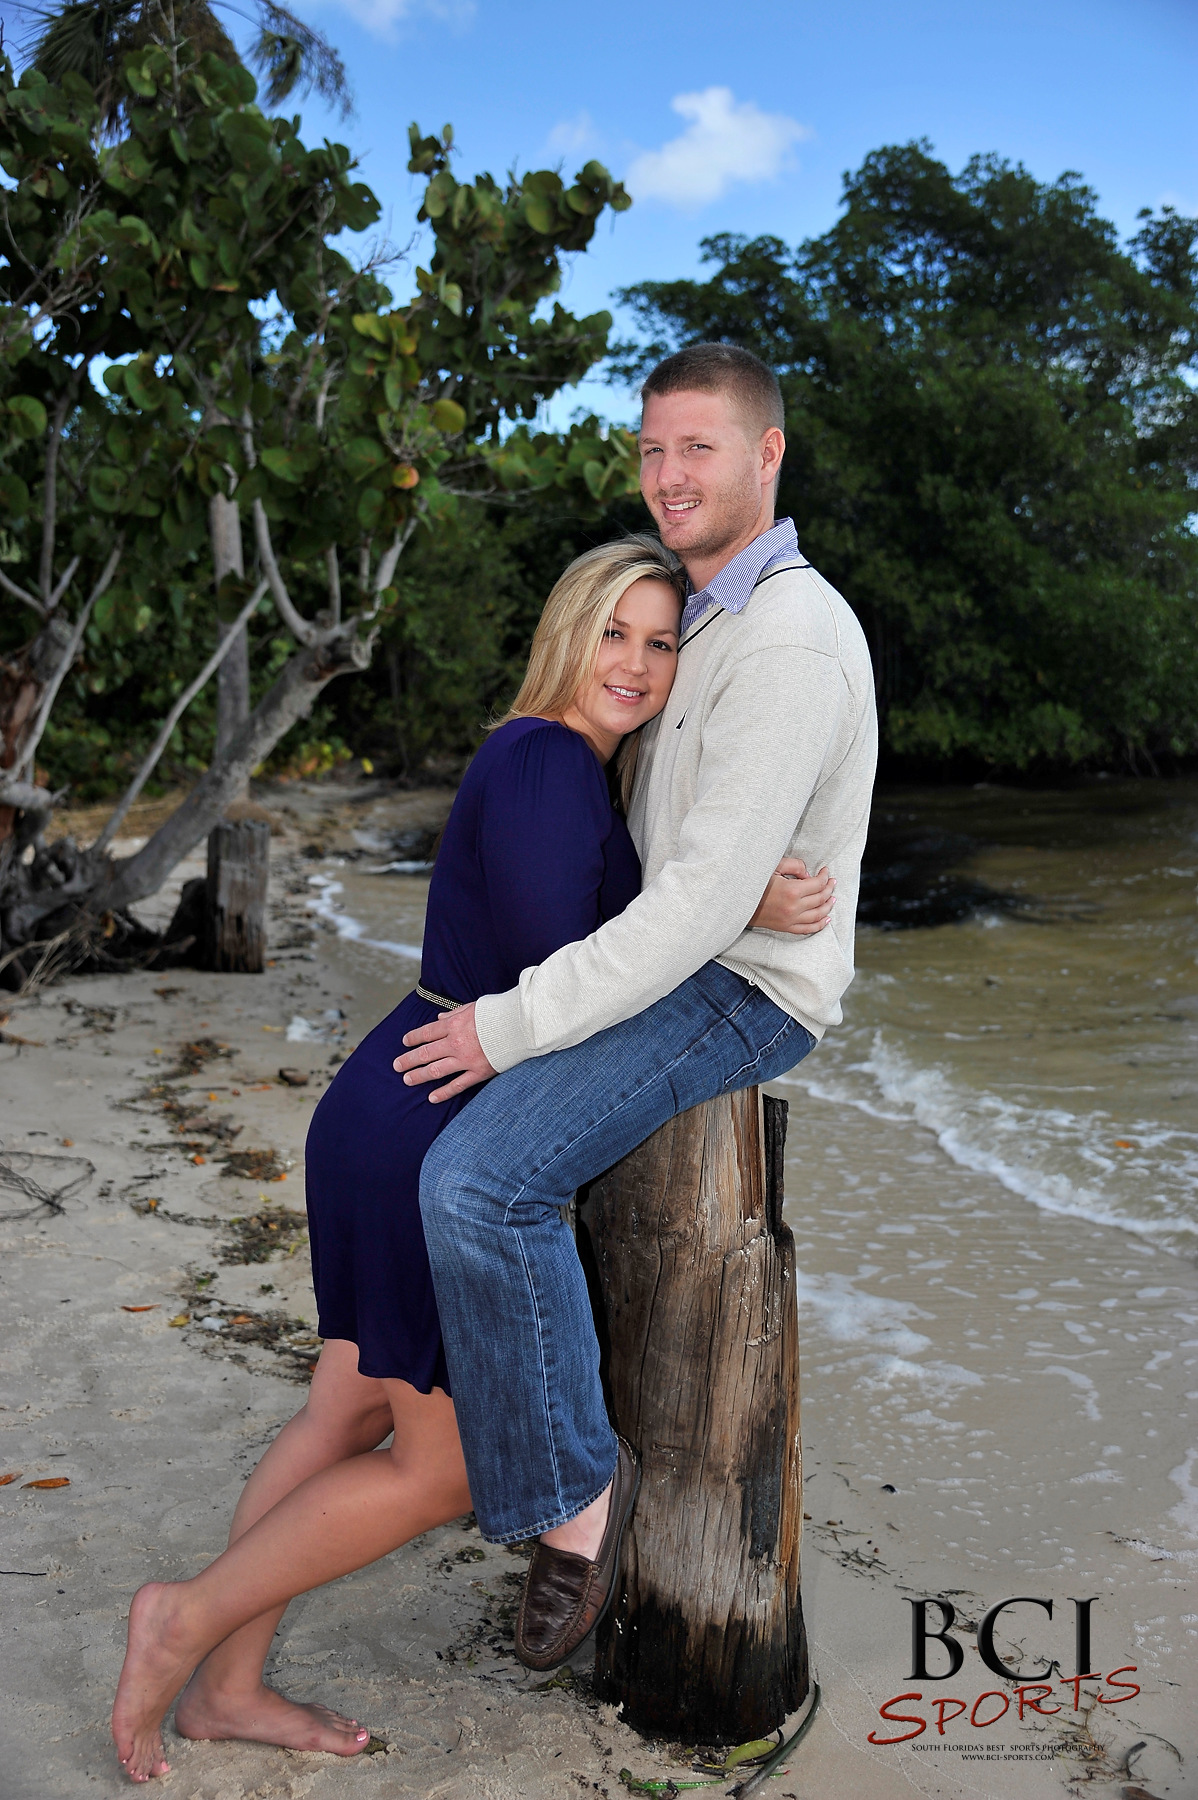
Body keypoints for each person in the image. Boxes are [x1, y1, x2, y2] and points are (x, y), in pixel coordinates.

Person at [110, 533, 833, 1783]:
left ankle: (225, 1686)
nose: (635, 662)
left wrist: (707, 892)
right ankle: (182, 1621)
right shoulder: (549, 763)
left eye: (661, 642)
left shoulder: (545, 761)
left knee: (343, 1409)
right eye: (612, 633)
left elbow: (586, 938)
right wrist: (737, 908)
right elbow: (578, 970)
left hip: (389, 1099)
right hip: (433, 1124)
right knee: (439, 1469)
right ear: (566, 635)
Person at [396, 341, 878, 1674]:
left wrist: (501, 1025)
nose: (668, 474)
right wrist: (734, 885)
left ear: (766, 455)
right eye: (653, 448)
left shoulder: (785, 637)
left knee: (476, 1185)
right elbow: (676, 854)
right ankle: (553, 1463)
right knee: (483, 1181)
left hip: (742, 991)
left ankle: (574, 1499)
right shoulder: (702, 616)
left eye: (697, 448)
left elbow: (690, 908)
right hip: (694, 951)